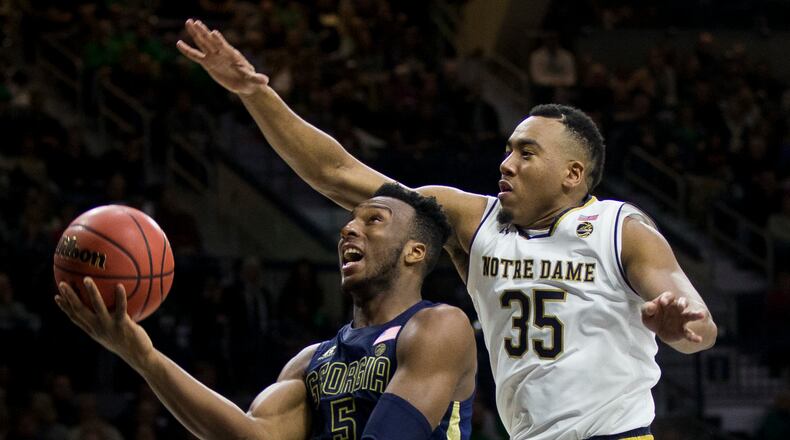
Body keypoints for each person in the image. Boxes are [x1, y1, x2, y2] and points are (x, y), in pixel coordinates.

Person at [177, 19, 718, 440]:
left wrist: (679, 325)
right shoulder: (474, 220)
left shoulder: (620, 226)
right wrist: (254, 93)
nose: (506, 164)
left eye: (526, 153)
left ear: (572, 175)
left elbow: (701, 328)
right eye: (507, 150)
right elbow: (338, 174)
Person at [54, 184, 478, 440]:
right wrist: (143, 357)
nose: (349, 228)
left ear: (414, 252)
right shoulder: (310, 362)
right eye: (351, 220)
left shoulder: (439, 326)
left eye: (374, 220)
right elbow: (250, 434)